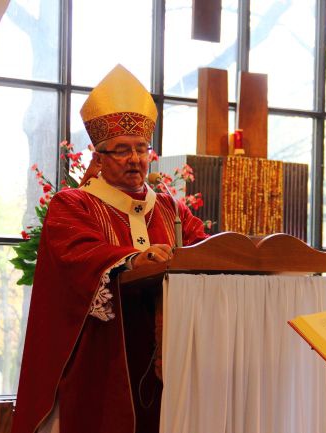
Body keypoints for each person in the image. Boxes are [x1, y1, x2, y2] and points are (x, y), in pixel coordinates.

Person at [11, 65, 209, 433]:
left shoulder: (168, 206)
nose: (135, 159)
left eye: (141, 149)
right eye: (122, 151)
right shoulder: (73, 205)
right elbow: (80, 254)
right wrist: (133, 259)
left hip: (167, 348)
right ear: (98, 158)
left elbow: (204, 248)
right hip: (100, 355)